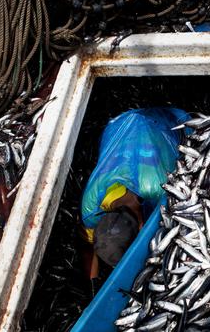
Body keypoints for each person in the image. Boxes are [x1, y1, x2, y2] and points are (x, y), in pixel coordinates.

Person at [80, 107, 188, 277]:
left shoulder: (159, 187)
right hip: (116, 124)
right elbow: (90, 245)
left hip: (165, 120)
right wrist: (93, 285)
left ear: (141, 226)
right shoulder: (90, 207)